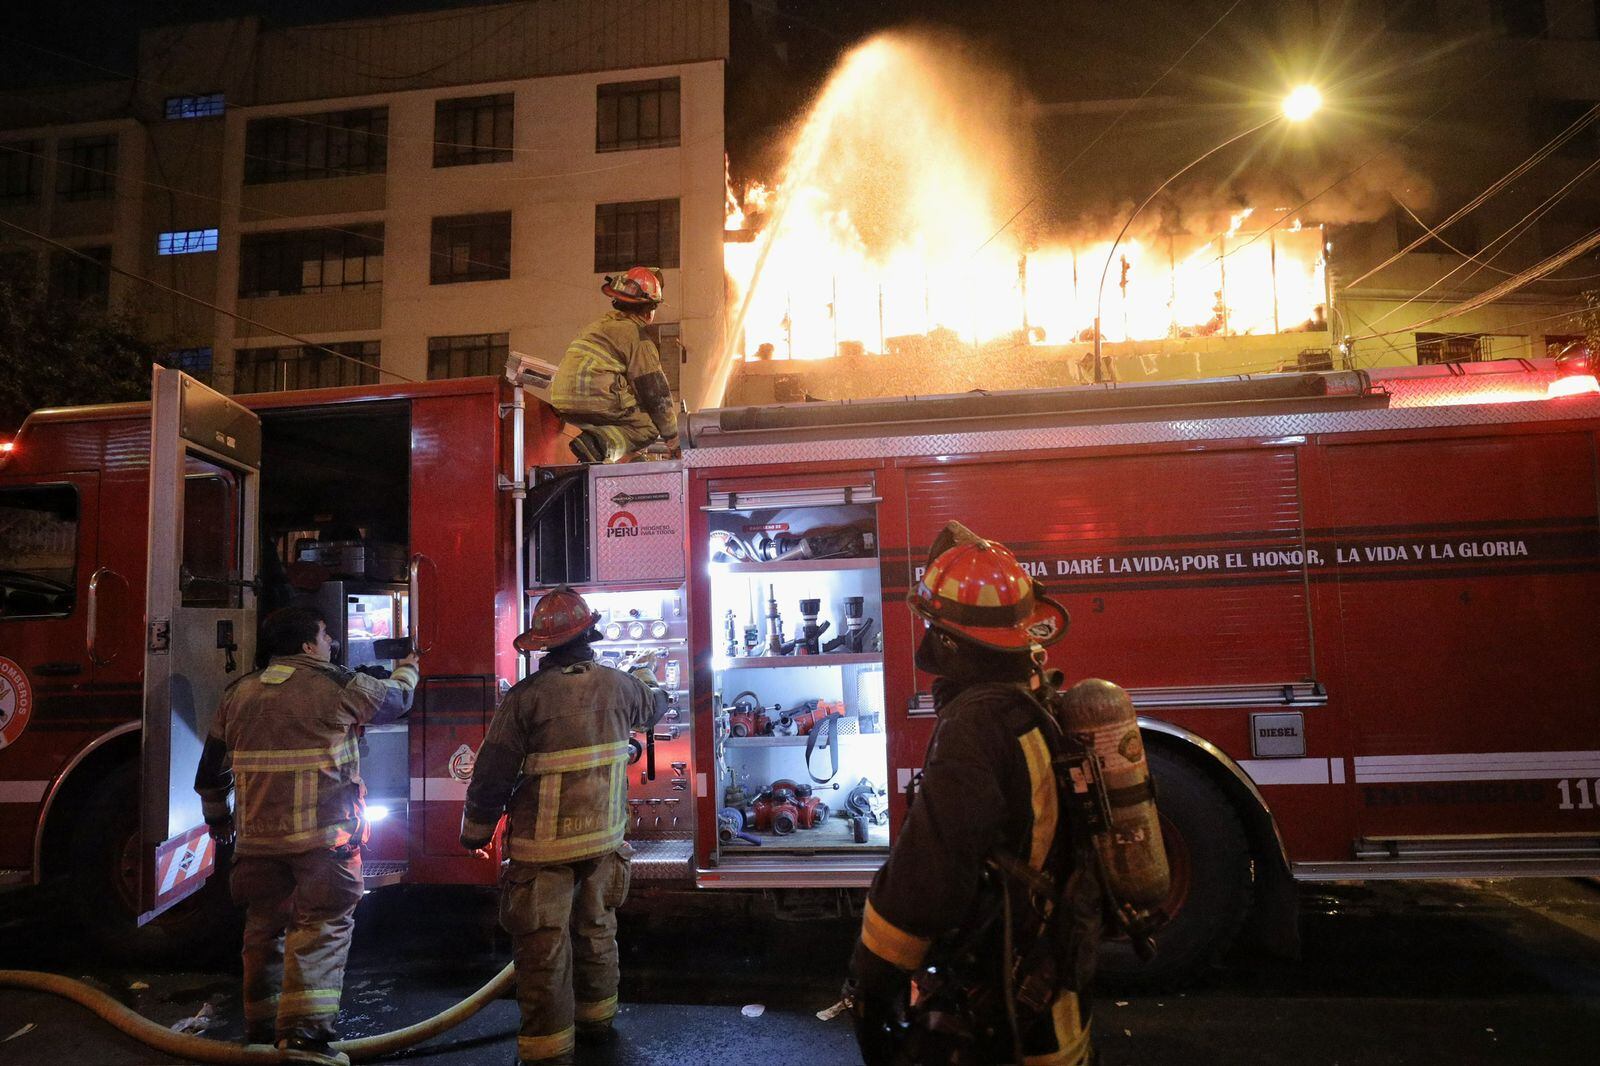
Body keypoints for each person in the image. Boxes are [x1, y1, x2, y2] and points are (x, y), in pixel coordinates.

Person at [846, 521, 1102, 1066]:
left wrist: (869, 978)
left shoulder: (974, 726)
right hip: (1051, 990)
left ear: (947, 640)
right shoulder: (1030, 700)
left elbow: (928, 878)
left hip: (1003, 1011)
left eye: (931, 625)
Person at [194, 606, 419, 1066]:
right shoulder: (338, 684)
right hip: (323, 845)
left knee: (263, 930)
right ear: (306, 645)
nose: (332, 643)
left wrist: (219, 822)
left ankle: (261, 1033)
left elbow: (210, 773)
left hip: (256, 845)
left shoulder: (237, 693)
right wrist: (408, 667)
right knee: (319, 931)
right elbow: (396, 701)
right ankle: (304, 1041)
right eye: (325, 635)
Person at [459, 586, 668, 1066]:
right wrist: (646, 678)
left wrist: (474, 832)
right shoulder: (620, 687)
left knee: (544, 943)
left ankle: (548, 1049)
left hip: (543, 848)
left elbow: (492, 773)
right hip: (604, 840)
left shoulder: (526, 699)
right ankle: (597, 1021)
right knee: (597, 928)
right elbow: (656, 704)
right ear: (590, 634)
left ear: (543, 646)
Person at [550, 266, 680, 463]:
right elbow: (655, 394)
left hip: (562, 402)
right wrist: (673, 438)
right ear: (650, 309)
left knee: (620, 424)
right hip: (595, 399)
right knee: (647, 428)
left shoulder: (597, 326)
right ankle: (600, 445)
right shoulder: (637, 336)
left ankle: (606, 446)